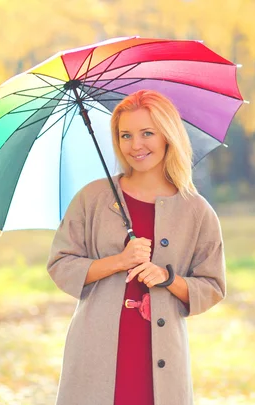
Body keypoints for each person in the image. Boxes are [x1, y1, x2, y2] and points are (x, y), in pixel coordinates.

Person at [47, 89, 226, 405]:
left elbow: (212, 286)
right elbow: (60, 264)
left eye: (147, 133)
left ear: (167, 136)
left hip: (161, 358)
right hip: (95, 352)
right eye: (125, 135)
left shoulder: (196, 211)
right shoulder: (93, 198)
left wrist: (167, 278)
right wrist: (119, 261)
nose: (136, 145)